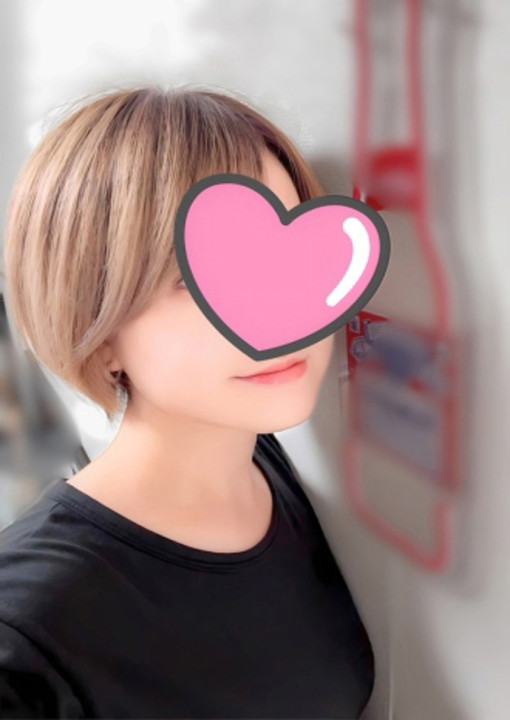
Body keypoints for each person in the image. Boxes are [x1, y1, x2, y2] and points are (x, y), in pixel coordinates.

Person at [1, 85, 375, 718]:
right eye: (205, 277)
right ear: (98, 327)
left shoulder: (276, 475)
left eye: (295, 258)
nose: (283, 317)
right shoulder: (30, 633)